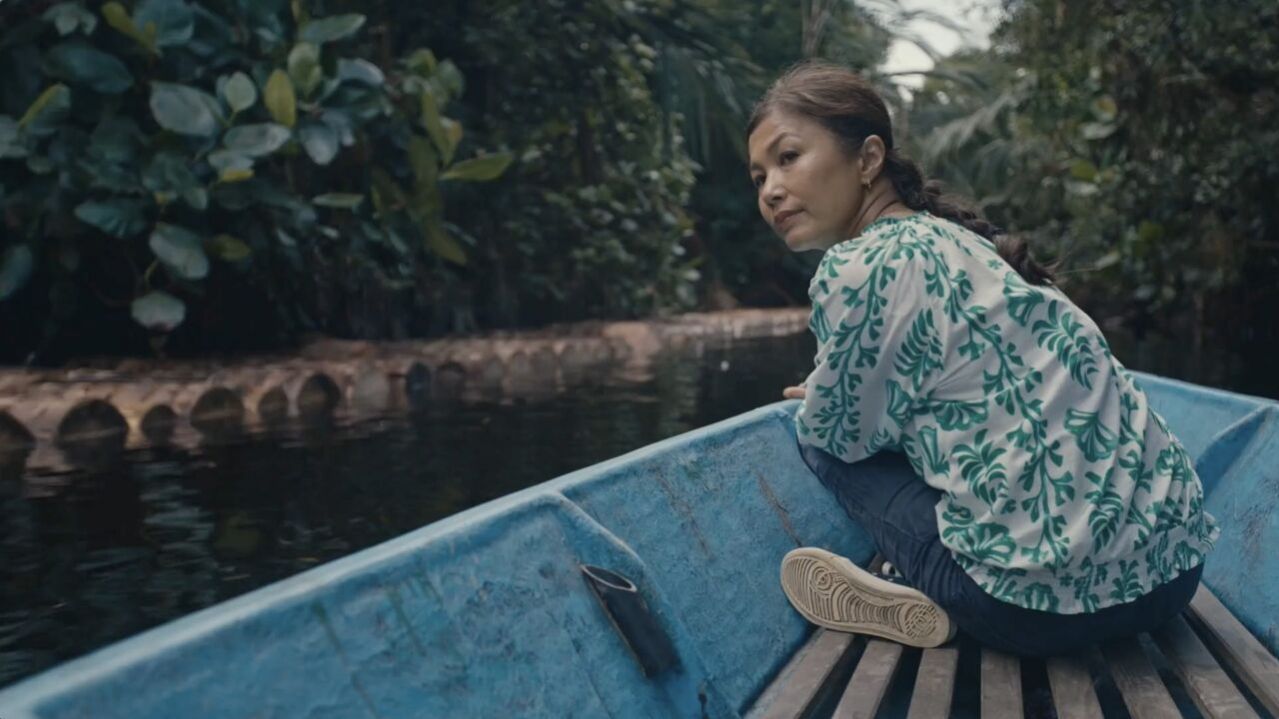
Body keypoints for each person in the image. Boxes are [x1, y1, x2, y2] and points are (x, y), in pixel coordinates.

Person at [747, 61, 1219, 656]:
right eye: (759, 177)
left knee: (818, 441)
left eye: (788, 158)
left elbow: (839, 434)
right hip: (1174, 573)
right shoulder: (969, 242)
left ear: (867, 159)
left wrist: (823, 398)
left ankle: (920, 583)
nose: (771, 190)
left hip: (1039, 611)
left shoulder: (858, 267)